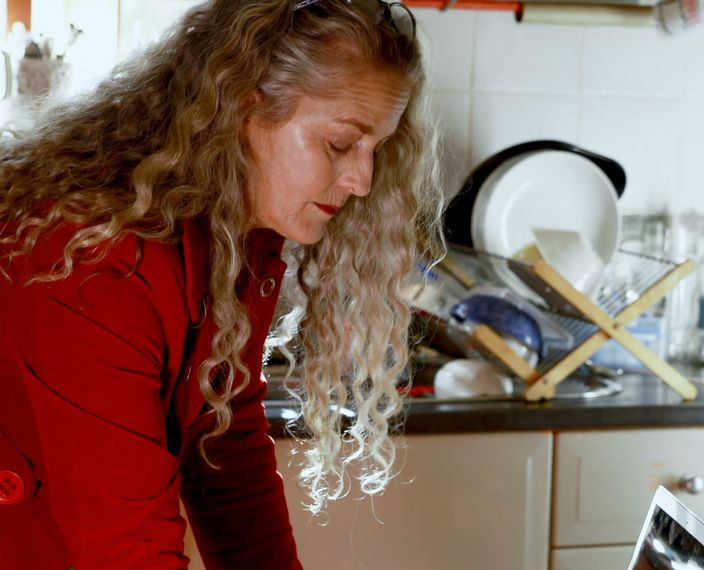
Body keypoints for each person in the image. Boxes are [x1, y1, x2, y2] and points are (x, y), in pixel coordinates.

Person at [0, 0, 443, 567]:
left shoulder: (237, 239)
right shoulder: (92, 263)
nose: (362, 181)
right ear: (242, 110)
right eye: (339, 144)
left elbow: (225, 455)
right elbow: (128, 548)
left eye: (375, 150)